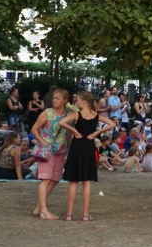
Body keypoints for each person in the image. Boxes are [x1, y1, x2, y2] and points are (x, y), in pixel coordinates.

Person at [59, 91, 116, 221]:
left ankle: (69, 214)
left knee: (73, 181)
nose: (75, 102)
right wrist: (96, 133)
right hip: (89, 146)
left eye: (77, 100)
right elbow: (112, 124)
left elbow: (62, 122)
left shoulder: (76, 115)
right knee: (87, 181)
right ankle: (85, 215)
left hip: (77, 146)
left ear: (84, 102)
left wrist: (74, 131)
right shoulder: (96, 115)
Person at [30, 88, 72, 220]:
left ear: (65, 101)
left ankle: (39, 207)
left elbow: (69, 133)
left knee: (55, 179)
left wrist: (68, 148)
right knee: (46, 179)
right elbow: (34, 129)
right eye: (54, 98)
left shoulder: (68, 115)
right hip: (47, 150)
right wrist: (42, 142)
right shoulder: (47, 113)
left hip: (60, 150)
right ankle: (44, 210)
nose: (54, 100)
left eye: (58, 98)